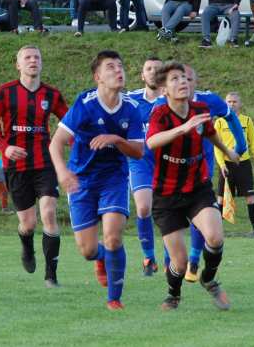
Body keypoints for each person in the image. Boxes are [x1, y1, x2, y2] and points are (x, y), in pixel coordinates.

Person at [50, 50, 145, 311]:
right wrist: (63, 172)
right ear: (98, 76)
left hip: (113, 179)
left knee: (113, 236)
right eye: (110, 67)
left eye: (120, 65)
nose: (118, 70)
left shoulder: (132, 108)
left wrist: (115, 139)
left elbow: (138, 151)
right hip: (81, 180)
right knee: (88, 250)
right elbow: (56, 143)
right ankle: (100, 258)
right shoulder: (85, 104)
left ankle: (114, 298)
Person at [146, 61, 240, 311]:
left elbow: (209, 133)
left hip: (197, 187)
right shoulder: (160, 114)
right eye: (175, 79)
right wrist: (182, 129)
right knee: (179, 261)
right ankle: (173, 295)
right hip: (166, 195)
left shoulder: (200, 108)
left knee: (215, 237)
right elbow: (152, 142)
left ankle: (208, 279)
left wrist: (227, 150)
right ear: (164, 89)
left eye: (185, 78)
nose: (182, 82)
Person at [0, 45, 69, 288]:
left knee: (49, 213)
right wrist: (5, 147)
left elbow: (69, 123)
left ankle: (51, 276)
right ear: (18, 65)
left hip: (44, 162)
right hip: (16, 165)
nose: (33, 61)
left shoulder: (51, 95)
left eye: (37, 57)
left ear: (41, 63)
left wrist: (80, 142)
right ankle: (27, 247)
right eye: (27, 58)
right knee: (28, 223)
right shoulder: (5, 92)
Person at [127, 57, 164, 276]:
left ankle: (171, 260)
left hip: (167, 161)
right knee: (143, 208)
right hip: (139, 160)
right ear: (142, 75)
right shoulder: (130, 99)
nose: (152, 72)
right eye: (148, 68)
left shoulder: (172, 100)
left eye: (157, 69)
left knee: (169, 211)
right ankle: (148, 257)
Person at [214, 92, 254, 238]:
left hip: (243, 164)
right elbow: (217, 146)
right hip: (227, 165)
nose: (232, 104)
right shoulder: (219, 122)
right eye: (229, 101)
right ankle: (216, 233)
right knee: (221, 199)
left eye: (235, 102)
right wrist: (222, 164)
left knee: (250, 198)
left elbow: (253, 142)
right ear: (225, 103)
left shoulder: (247, 121)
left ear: (240, 104)